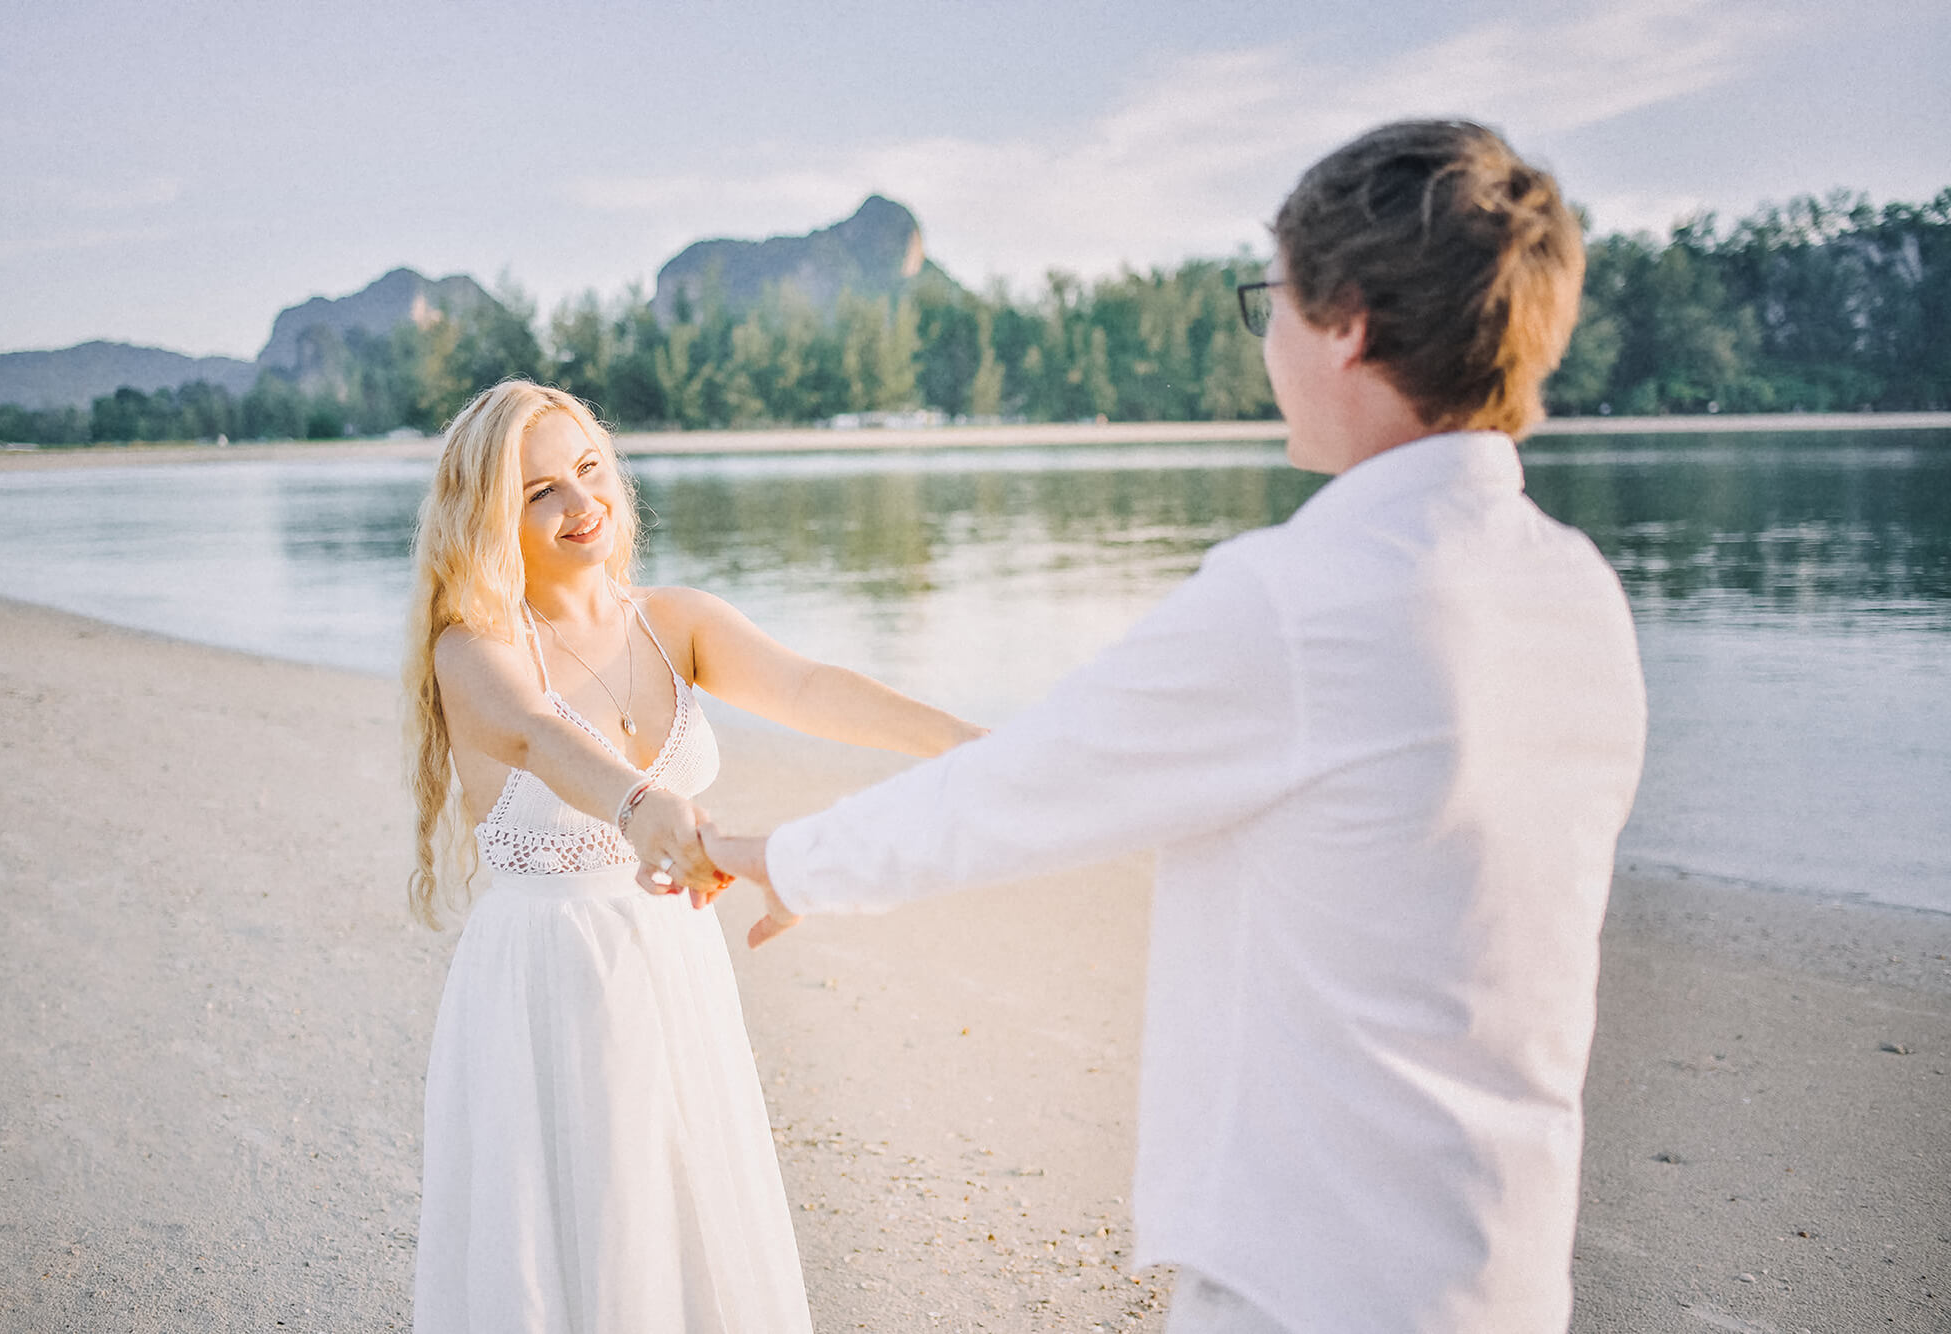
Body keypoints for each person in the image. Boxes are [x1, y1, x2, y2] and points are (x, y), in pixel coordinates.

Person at [708, 120, 1650, 1333]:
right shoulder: (1575, 588)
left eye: (1272, 304)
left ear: (1347, 321)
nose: (1264, 343)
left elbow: (1026, 788)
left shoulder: (1304, 598)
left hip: (1313, 1272)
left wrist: (780, 856)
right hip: (1503, 1259)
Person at [399, 380, 982, 1333]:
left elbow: (809, 688)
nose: (580, 504)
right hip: (548, 976)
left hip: (672, 960)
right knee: (576, 1240)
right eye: (539, 489)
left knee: (686, 1225)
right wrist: (645, 806)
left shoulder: (674, 623)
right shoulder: (474, 651)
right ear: (490, 512)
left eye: (588, 470)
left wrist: (964, 742)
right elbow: (544, 738)